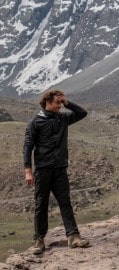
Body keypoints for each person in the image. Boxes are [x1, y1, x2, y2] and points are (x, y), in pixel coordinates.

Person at [24, 89, 90, 254]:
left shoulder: (63, 118)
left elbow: (82, 113)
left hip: (60, 169)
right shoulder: (35, 122)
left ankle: (73, 237)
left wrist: (68, 103)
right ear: (48, 102)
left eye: (62, 103)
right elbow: (28, 146)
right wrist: (28, 171)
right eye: (58, 102)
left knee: (65, 202)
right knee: (41, 204)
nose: (60, 106)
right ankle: (39, 240)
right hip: (43, 170)